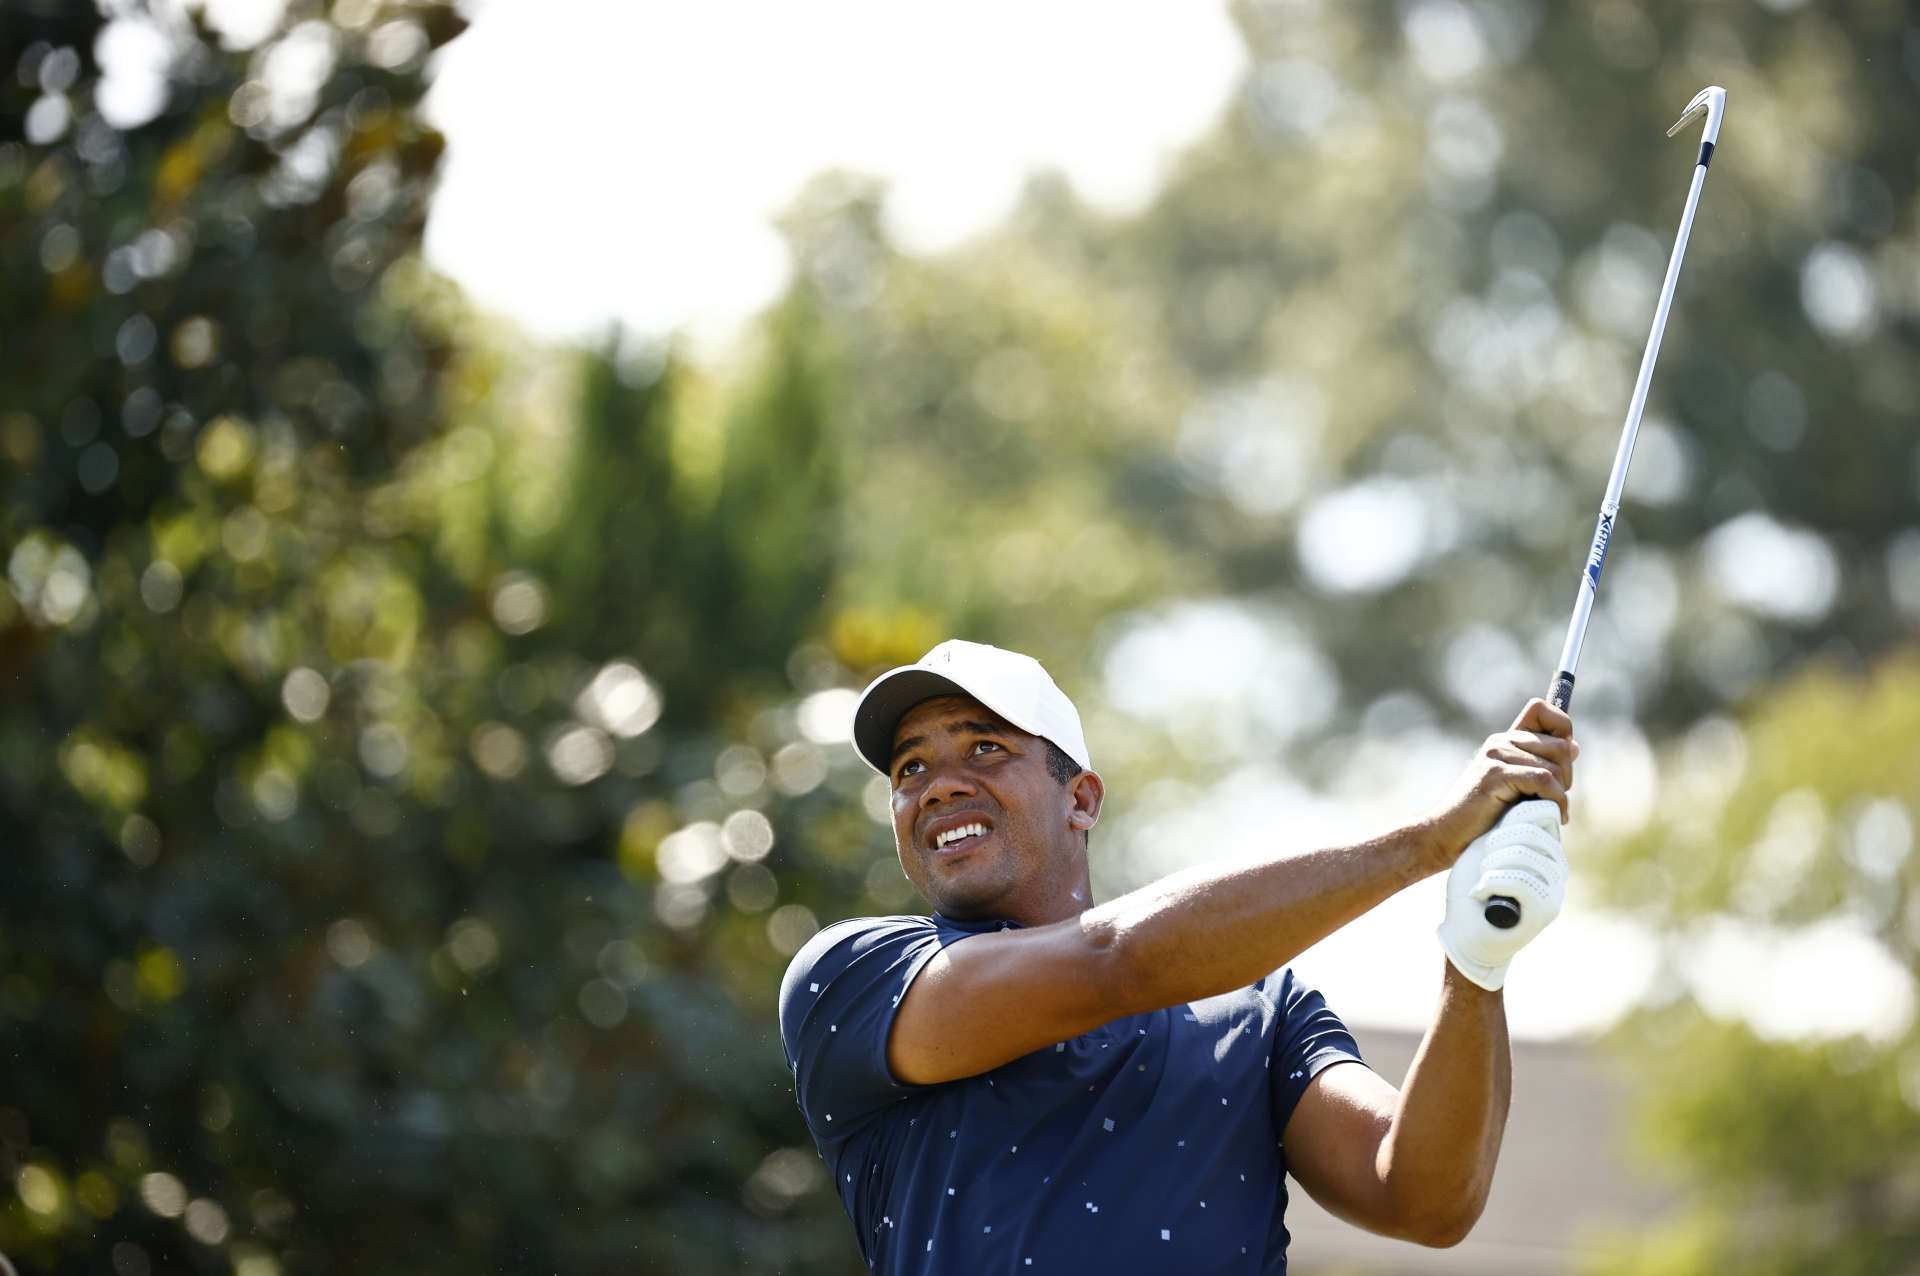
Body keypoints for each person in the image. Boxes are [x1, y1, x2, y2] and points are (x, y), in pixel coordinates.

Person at [778, 639, 1573, 1273]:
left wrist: (1475, 965)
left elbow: (1424, 1199)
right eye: (910, 768)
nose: (938, 787)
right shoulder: (853, 977)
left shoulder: (1262, 1009)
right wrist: (1428, 842)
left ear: (1081, 798)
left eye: (984, 748)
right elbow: (1117, 963)